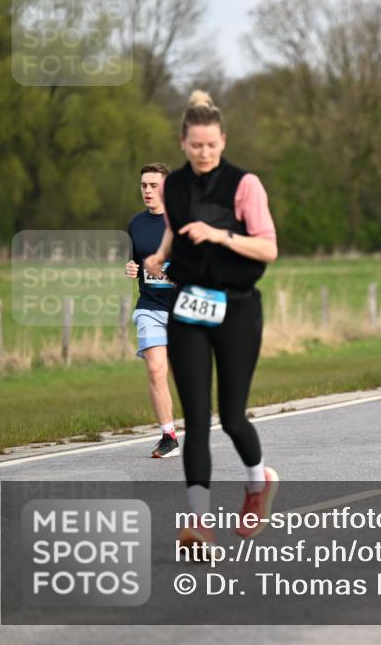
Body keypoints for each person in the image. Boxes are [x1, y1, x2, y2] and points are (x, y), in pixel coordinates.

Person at [144, 91, 279, 557]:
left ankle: (257, 481)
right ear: (183, 142)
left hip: (238, 307)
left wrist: (220, 234)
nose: (203, 153)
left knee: (232, 417)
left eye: (211, 145)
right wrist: (160, 256)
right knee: (196, 420)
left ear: (223, 141)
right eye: (195, 145)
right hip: (188, 307)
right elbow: (174, 226)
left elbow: (268, 249)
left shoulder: (245, 185)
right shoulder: (174, 187)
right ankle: (198, 523)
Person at [125, 163, 179, 458]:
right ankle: (168, 435)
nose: (147, 190)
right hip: (150, 308)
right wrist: (131, 268)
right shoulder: (135, 224)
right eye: (144, 185)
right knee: (156, 369)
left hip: (183, 309)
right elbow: (135, 262)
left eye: (153, 185)